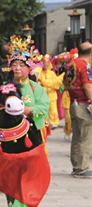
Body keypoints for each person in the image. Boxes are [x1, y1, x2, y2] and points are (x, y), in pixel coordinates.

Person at [0, 36, 52, 207]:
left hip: (30, 137)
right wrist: (2, 112)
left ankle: (25, 204)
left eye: (21, 65)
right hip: (7, 137)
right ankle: (14, 196)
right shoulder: (2, 87)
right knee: (10, 170)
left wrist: (29, 109)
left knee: (30, 170)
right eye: (14, 64)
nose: (17, 68)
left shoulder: (36, 88)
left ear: (29, 67)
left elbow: (44, 106)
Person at [62, 41, 92, 178]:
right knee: (86, 137)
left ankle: (76, 166)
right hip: (84, 104)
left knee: (77, 137)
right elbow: (87, 86)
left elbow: (64, 82)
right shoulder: (85, 66)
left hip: (73, 103)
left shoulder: (70, 64)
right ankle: (82, 168)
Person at [38, 54, 62, 129]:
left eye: (47, 63)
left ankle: (54, 123)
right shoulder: (39, 73)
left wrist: (44, 82)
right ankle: (44, 123)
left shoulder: (52, 73)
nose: (46, 65)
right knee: (43, 109)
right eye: (44, 63)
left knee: (53, 110)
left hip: (52, 95)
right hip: (43, 96)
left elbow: (56, 84)